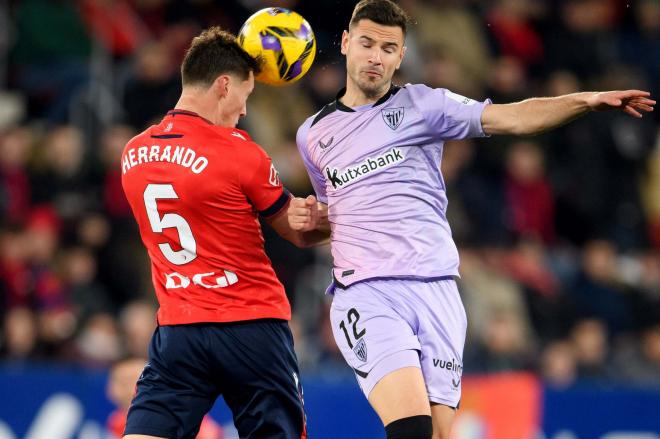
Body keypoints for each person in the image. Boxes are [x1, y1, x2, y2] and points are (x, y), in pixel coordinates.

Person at [287, 1, 656, 438]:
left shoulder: (426, 106)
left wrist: (585, 101)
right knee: (411, 429)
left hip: (438, 290)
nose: (376, 57)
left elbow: (513, 118)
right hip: (368, 295)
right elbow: (336, 216)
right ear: (347, 43)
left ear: (401, 56)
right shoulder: (314, 134)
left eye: (389, 48)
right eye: (367, 43)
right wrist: (307, 219)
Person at [121, 27, 328, 439]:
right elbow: (298, 232)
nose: (245, 110)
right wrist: (354, 212)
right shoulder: (238, 151)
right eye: (245, 96)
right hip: (251, 327)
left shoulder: (133, 153)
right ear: (223, 84)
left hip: (179, 329)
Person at [105, 356, 223, 439]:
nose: (124, 388)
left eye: (130, 380)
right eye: (118, 381)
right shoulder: (115, 421)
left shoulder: (183, 417)